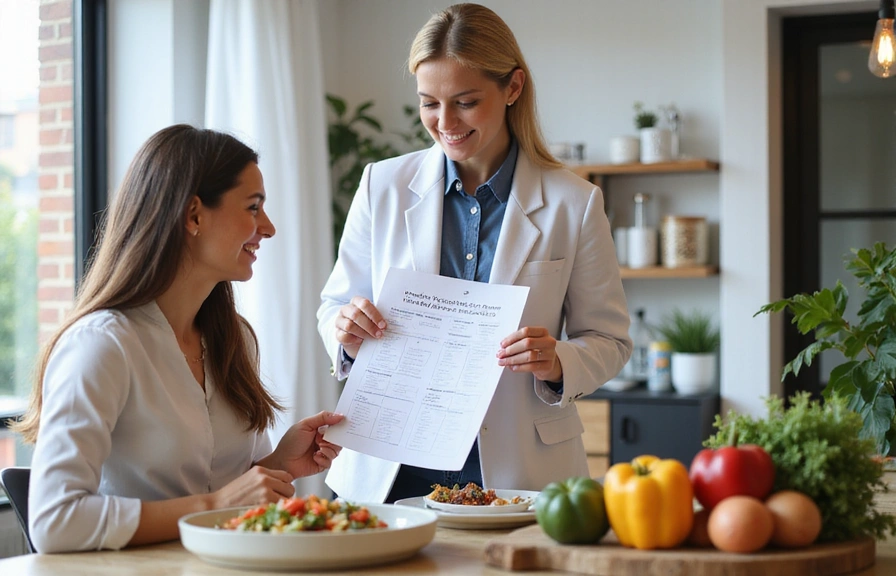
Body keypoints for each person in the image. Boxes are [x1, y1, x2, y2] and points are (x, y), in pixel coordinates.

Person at [317, 3, 631, 503]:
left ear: (512, 88)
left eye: (465, 102)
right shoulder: (383, 184)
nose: (445, 123)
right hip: (387, 467)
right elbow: (335, 307)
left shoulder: (575, 202)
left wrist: (557, 362)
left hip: (516, 473)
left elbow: (610, 341)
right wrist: (346, 332)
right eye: (429, 104)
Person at [12, 125, 344, 553]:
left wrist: (278, 464)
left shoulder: (234, 339)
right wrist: (215, 505)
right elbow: (54, 520)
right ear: (194, 215)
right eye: (254, 207)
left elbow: (229, 495)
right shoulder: (102, 345)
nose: (269, 228)